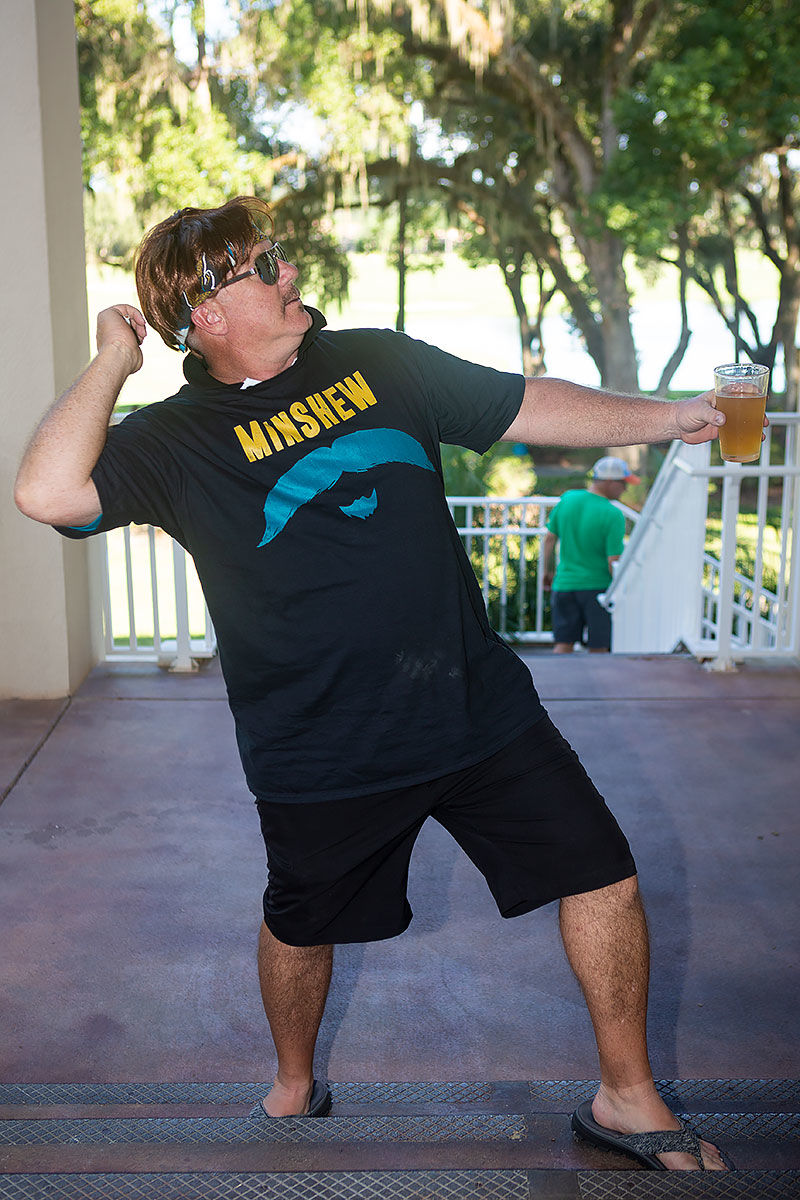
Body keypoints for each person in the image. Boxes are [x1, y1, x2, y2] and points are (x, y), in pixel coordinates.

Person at [15, 196, 732, 1171]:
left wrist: (672, 419)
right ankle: (292, 1085)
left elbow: (524, 404)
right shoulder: (175, 440)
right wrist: (112, 360)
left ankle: (627, 1096)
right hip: (319, 744)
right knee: (300, 924)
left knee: (601, 873)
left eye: (277, 253)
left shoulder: (378, 362)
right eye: (263, 266)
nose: (288, 272)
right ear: (208, 314)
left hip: (475, 708)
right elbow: (47, 492)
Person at [543, 456, 640, 654]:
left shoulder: (567, 499)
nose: (625, 489)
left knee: (563, 645)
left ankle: (556, 677)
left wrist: (547, 571)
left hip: (565, 585)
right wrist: (624, 592)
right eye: (623, 484)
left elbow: (549, 540)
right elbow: (613, 561)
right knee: (599, 649)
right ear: (610, 482)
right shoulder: (613, 514)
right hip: (598, 590)